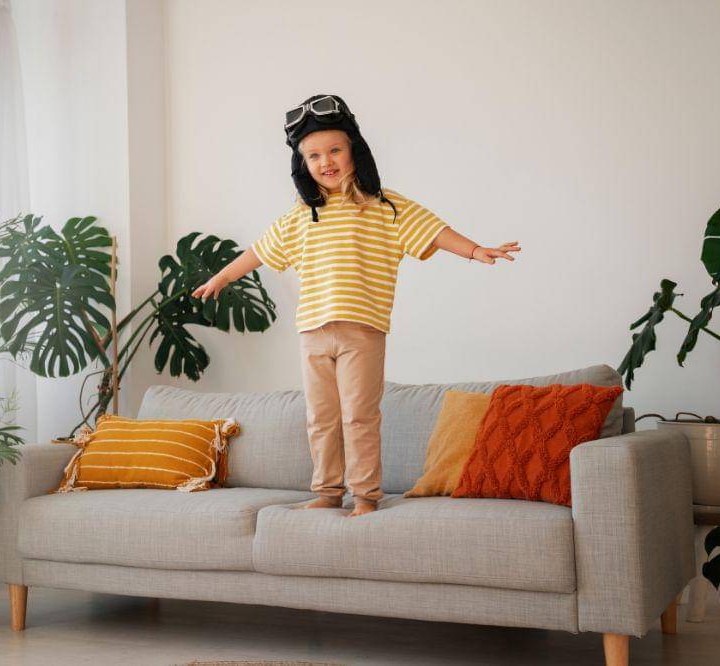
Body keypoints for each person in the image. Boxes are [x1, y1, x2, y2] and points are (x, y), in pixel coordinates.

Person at [192, 94, 520, 517]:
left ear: (354, 151)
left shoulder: (384, 205)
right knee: (321, 418)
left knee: (359, 417)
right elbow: (259, 250)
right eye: (313, 155)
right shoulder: (301, 215)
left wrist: (476, 250)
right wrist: (221, 277)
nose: (325, 161)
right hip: (312, 332)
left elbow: (435, 231)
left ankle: (365, 495)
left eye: (334, 150)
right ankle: (327, 491)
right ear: (302, 165)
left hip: (362, 330)